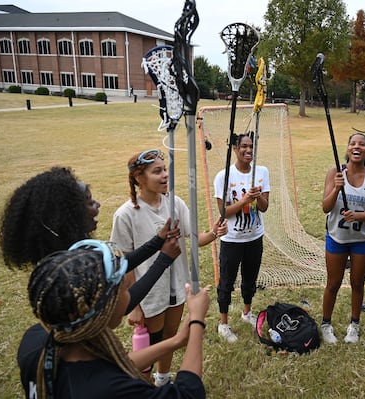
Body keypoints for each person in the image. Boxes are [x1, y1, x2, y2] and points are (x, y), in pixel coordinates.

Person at [19, 239, 210, 398]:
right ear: (106, 308)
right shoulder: (111, 390)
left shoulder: (35, 341)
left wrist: (176, 341)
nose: (129, 295)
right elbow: (187, 393)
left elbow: (113, 365)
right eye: (126, 288)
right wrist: (197, 322)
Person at [111, 149, 226, 386]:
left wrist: (214, 233)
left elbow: (194, 238)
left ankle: (162, 379)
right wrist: (134, 305)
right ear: (138, 177)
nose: (165, 175)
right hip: (149, 294)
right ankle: (144, 386)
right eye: (157, 171)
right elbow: (125, 263)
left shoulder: (176, 203)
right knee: (151, 346)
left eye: (165, 170)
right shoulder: (126, 215)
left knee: (169, 338)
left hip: (177, 286)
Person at [0, 166, 182, 314]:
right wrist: (163, 260)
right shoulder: (74, 271)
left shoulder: (69, 254)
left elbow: (115, 264)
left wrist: (158, 241)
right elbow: (121, 305)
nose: (98, 204)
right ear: (65, 216)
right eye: (89, 201)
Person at [321, 133, 365, 344]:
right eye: (352, 143)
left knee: (357, 283)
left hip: (362, 239)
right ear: (348, 149)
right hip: (337, 237)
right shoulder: (335, 172)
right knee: (333, 283)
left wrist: (357, 216)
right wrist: (337, 187)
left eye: (362, 144)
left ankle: (354, 325)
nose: (356, 147)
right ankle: (326, 324)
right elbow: (325, 207)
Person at [213, 132, 270, 342]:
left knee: (250, 279)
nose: (248, 150)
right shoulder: (224, 176)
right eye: (244, 146)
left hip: (255, 237)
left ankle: (247, 313)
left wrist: (257, 198)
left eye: (251, 146)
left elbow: (264, 208)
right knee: (226, 282)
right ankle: (224, 323)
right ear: (235, 149)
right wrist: (244, 200)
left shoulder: (262, 172)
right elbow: (223, 213)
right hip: (232, 240)